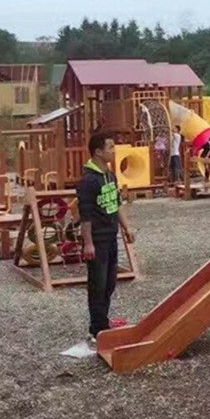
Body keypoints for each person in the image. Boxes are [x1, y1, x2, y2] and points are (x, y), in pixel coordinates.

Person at [78, 132, 136, 339]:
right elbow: (85, 215)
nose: (114, 151)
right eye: (110, 147)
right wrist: (88, 243)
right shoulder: (88, 181)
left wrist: (127, 228)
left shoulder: (110, 175)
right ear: (98, 152)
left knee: (110, 282)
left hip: (111, 236)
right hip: (97, 238)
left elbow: (116, 204)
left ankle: (103, 321)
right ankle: (96, 328)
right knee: (98, 283)